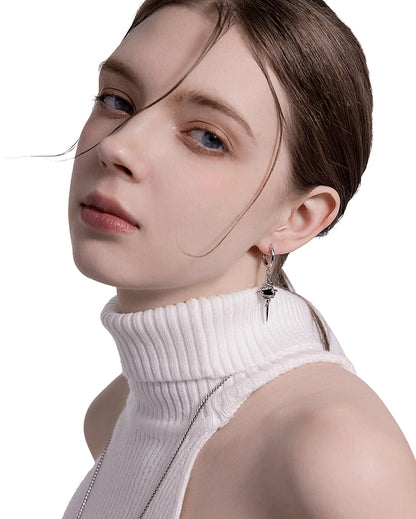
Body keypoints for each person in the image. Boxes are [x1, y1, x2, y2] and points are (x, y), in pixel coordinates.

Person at [60, 0, 416, 517]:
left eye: (208, 138)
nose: (120, 146)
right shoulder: (116, 414)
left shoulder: (340, 454)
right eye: (118, 100)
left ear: (297, 218)